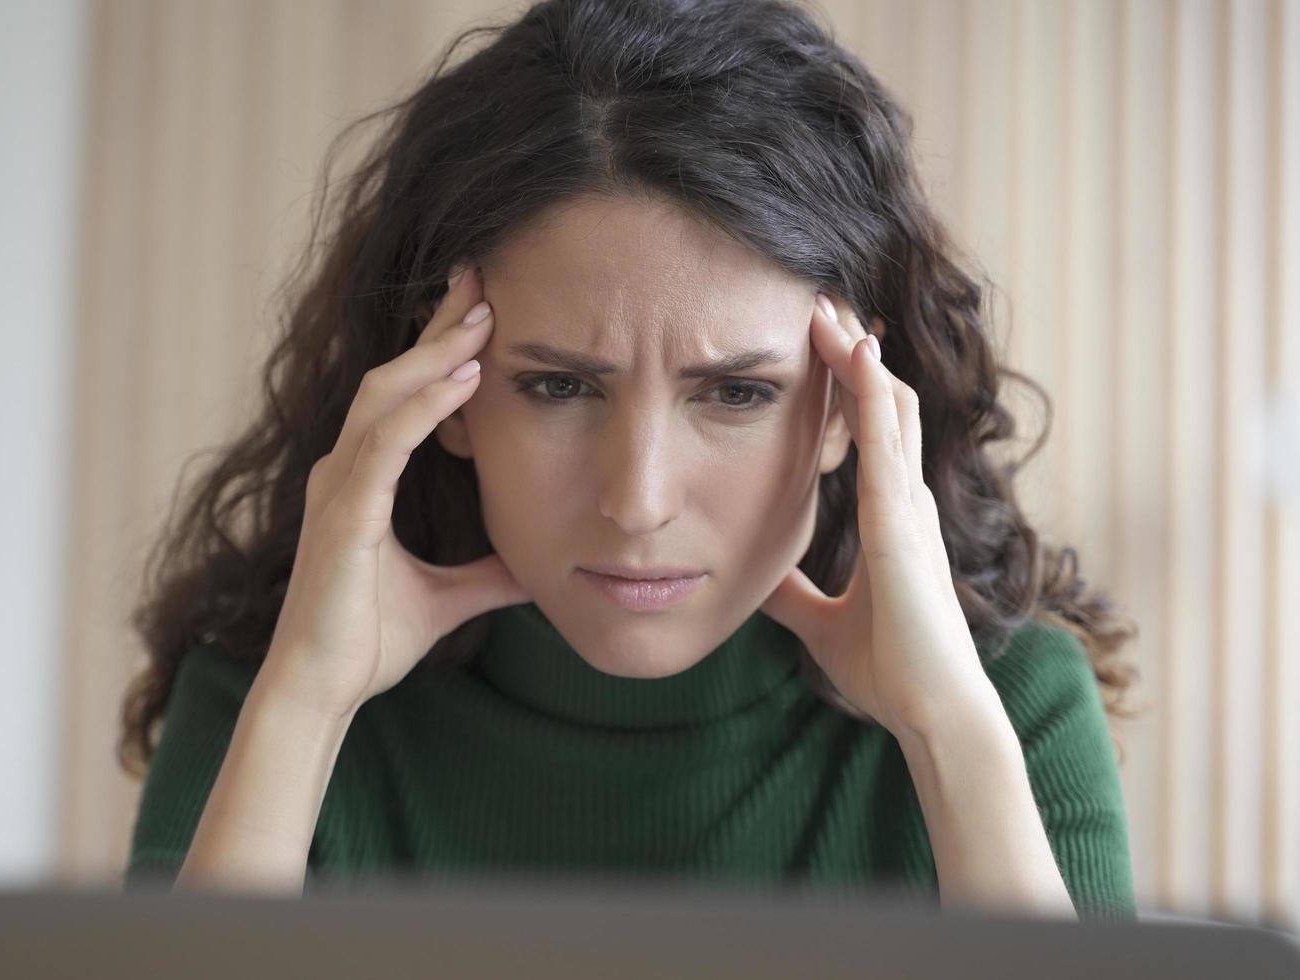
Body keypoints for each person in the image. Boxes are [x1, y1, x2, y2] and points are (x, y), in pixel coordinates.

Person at [118, 0, 1142, 921]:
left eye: (737, 392)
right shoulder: (271, 694)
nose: (636, 500)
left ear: (849, 408)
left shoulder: (1006, 703)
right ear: (444, 395)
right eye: (559, 386)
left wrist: (947, 736)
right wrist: (304, 706)